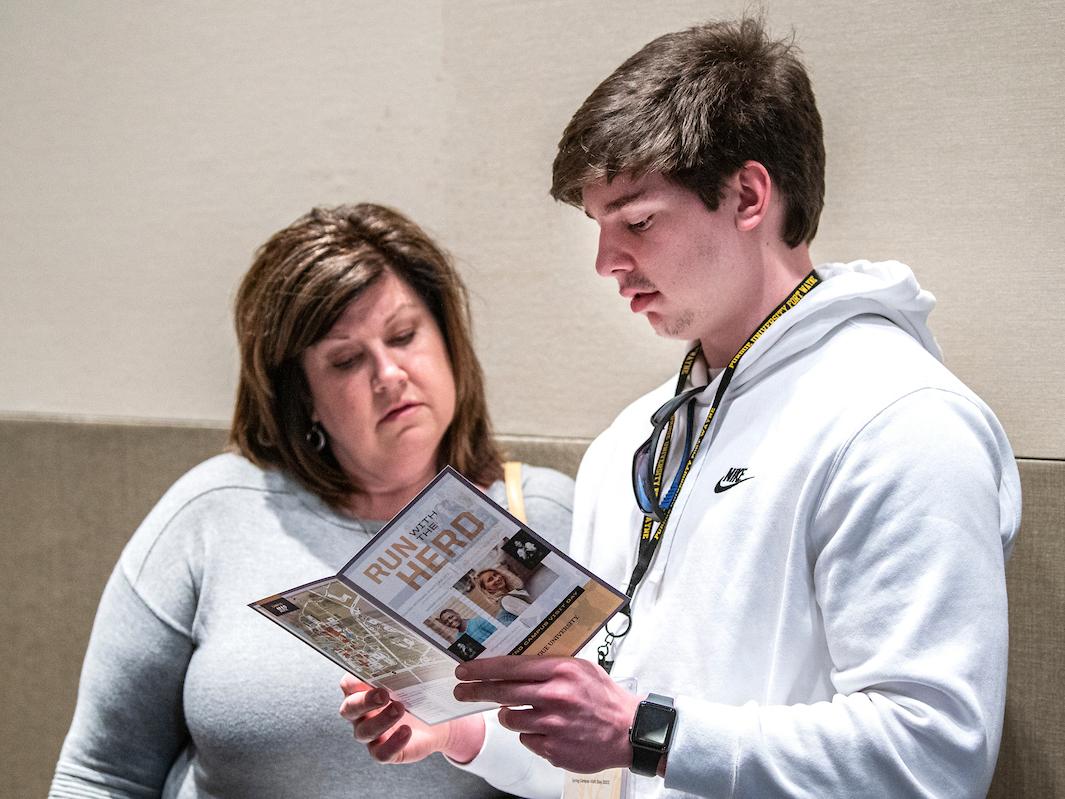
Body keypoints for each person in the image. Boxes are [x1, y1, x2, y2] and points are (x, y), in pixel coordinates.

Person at [340, 17, 1020, 799]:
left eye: (636, 221)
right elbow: (607, 751)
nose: (607, 263)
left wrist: (647, 732)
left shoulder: (901, 421)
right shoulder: (631, 440)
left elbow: (933, 757)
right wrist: (459, 730)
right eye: (598, 228)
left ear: (748, 195)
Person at [49, 203, 574, 798]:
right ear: (303, 398)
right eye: (346, 360)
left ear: (448, 341)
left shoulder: (543, 516)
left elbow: (603, 764)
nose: (390, 373)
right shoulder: (213, 512)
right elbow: (100, 775)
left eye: (404, 336)